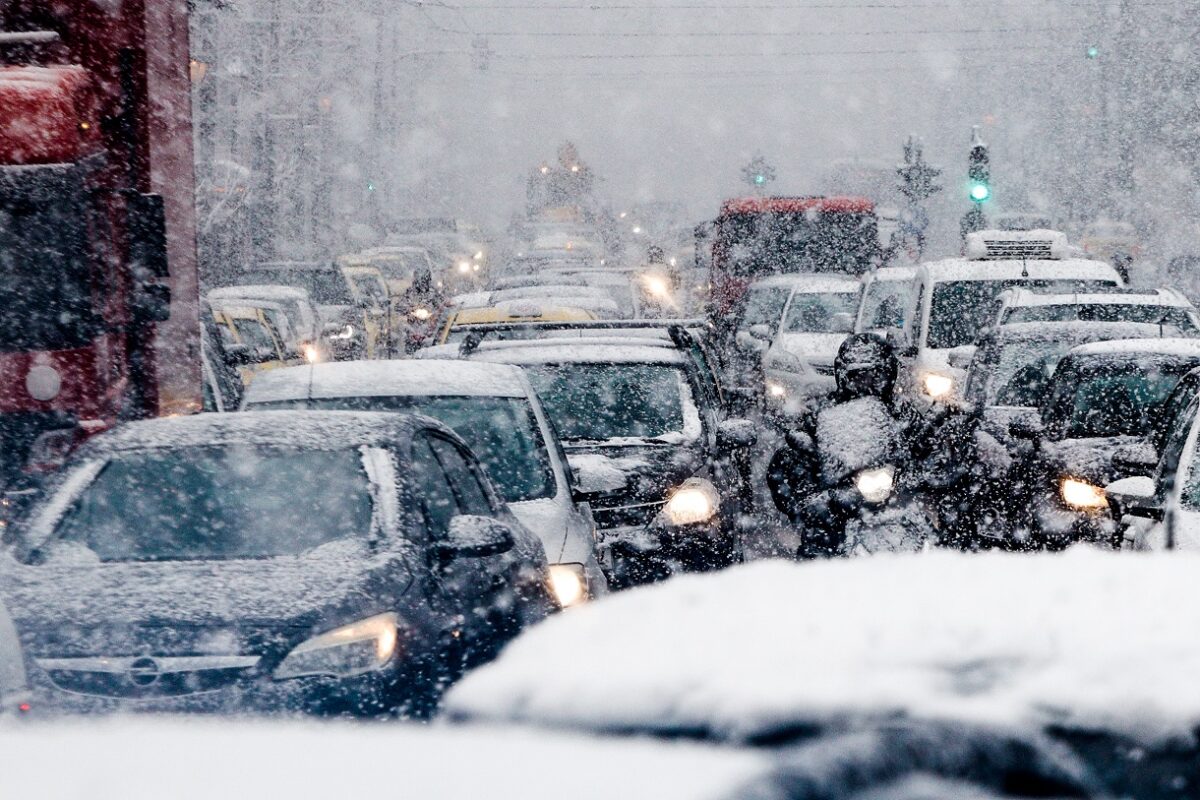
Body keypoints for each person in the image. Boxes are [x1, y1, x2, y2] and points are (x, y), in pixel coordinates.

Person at [766, 333, 951, 556]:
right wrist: (811, 500)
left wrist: (934, 462)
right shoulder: (822, 413)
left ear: (889, 374)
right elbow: (788, 466)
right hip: (837, 515)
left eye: (876, 376)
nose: (868, 383)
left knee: (938, 545)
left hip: (894, 507)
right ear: (843, 376)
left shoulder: (901, 411)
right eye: (860, 376)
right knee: (816, 556)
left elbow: (924, 448)